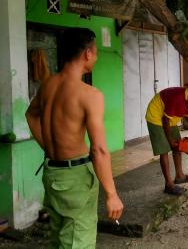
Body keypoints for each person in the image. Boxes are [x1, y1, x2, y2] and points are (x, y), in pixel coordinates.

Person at [25, 29, 123, 248]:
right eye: (96, 52)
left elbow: (30, 115)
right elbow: (99, 150)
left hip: (52, 173)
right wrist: (111, 194)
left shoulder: (48, 86)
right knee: (77, 240)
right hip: (76, 177)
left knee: (58, 237)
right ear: (87, 53)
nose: (96, 57)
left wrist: (49, 148)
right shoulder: (90, 95)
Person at [146, 75, 188, 196]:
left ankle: (180, 176)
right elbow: (164, 120)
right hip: (156, 117)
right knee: (164, 150)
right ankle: (169, 184)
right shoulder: (178, 97)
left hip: (169, 119)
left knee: (178, 146)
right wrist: (170, 139)